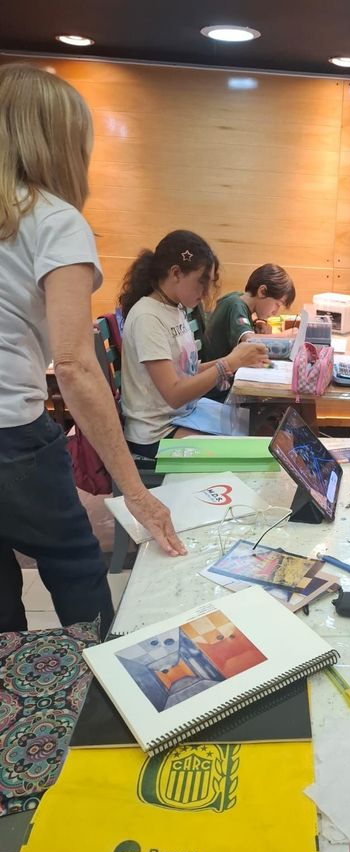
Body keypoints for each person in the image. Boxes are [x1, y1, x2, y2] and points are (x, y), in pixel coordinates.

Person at [0, 63, 185, 634]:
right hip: (12, 434)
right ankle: (105, 705)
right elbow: (76, 365)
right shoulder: (54, 220)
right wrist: (136, 494)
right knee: (77, 563)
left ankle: (18, 711)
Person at [118, 231, 269, 459]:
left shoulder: (174, 308)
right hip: (156, 434)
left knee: (256, 430)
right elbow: (174, 394)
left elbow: (185, 371)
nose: (206, 292)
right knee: (247, 455)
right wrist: (228, 363)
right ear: (176, 273)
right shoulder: (147, 317)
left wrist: (235, 360)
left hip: (180, 416)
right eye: (202, 282)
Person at [202, 263, 296, 361]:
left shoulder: (237, 297)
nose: (275, 312)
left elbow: (240, 319)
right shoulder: (236, 305)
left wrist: (256, 322)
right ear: (262, 291)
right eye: (277, 304)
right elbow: (249, 340)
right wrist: (285, 336)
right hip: (219, 372)